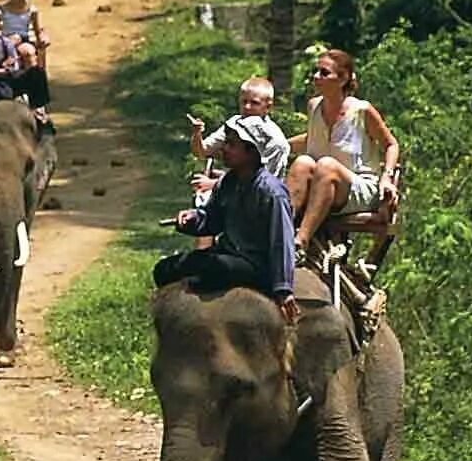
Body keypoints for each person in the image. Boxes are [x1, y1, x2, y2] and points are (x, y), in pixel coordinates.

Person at [154, 116, 301, 324]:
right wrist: (193, 219)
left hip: (254, 265)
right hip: (227, 255)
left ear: (251, 152)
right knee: (164, 270)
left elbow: (281, 242)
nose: (223, 148)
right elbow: (212, 220)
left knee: (208, 266)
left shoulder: (271, 192)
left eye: (231, 144)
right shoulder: (228, 182)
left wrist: (283, 289)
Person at [286, 48, 401, 259]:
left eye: (324, 73)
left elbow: (391, 144)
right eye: (316, 71)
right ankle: (280, 232)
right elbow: (311, 138)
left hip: (359, 187)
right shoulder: (314, 107)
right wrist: (275, 146)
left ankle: (300, 243)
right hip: (322, 185)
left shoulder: (362, 111)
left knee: (326, 165)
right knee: (303, 162)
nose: (316, 77)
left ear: (343, 79)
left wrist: (387, 176)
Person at [188, 76, 289, 185]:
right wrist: (197, 133)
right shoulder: (234, 124)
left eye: (254, 103)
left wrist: (214, 184)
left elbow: (264, 184)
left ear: (268, 107)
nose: (247, 107)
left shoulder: (274, 140)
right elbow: (201, 151)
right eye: (244, 101)